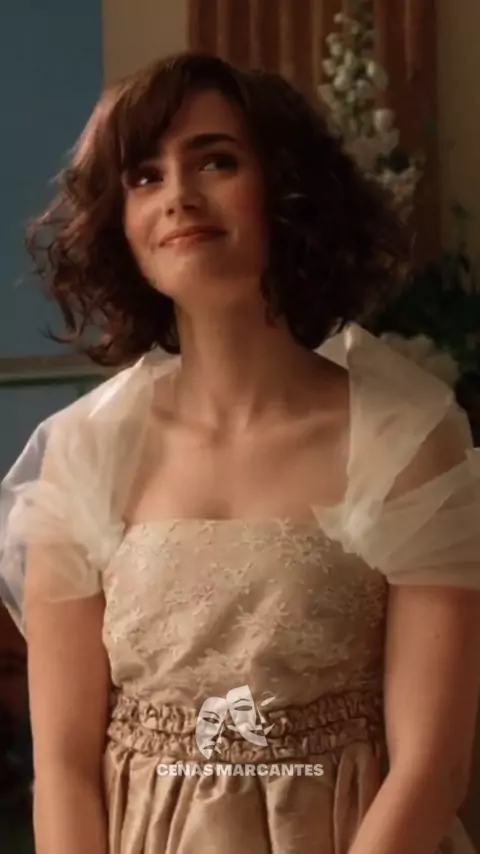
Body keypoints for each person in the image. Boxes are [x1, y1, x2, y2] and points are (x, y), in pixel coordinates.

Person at [1, 51, 480, 854]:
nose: (179, 196)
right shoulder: (84, 453)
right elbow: (64, 769)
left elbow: (432, 767)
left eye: (215, 161)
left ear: (286, 188)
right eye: (144, 177)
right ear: (120, 223)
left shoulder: (405, 439)